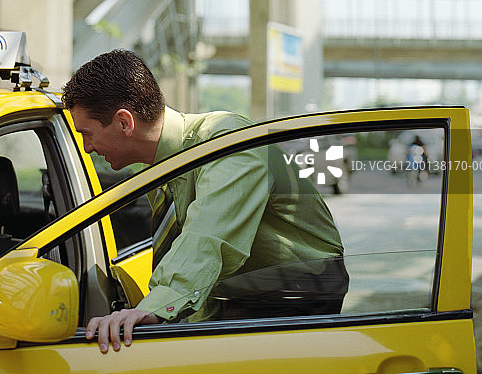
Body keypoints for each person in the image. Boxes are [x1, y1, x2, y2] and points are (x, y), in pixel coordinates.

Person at [62, 50, 347, 354]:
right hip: (234, 292)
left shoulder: (228, 141)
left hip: (293, 294)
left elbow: (209, 236)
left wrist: (155, 308)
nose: (87, 147)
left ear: (124, 122)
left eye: (87, 134)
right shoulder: (160, 169)